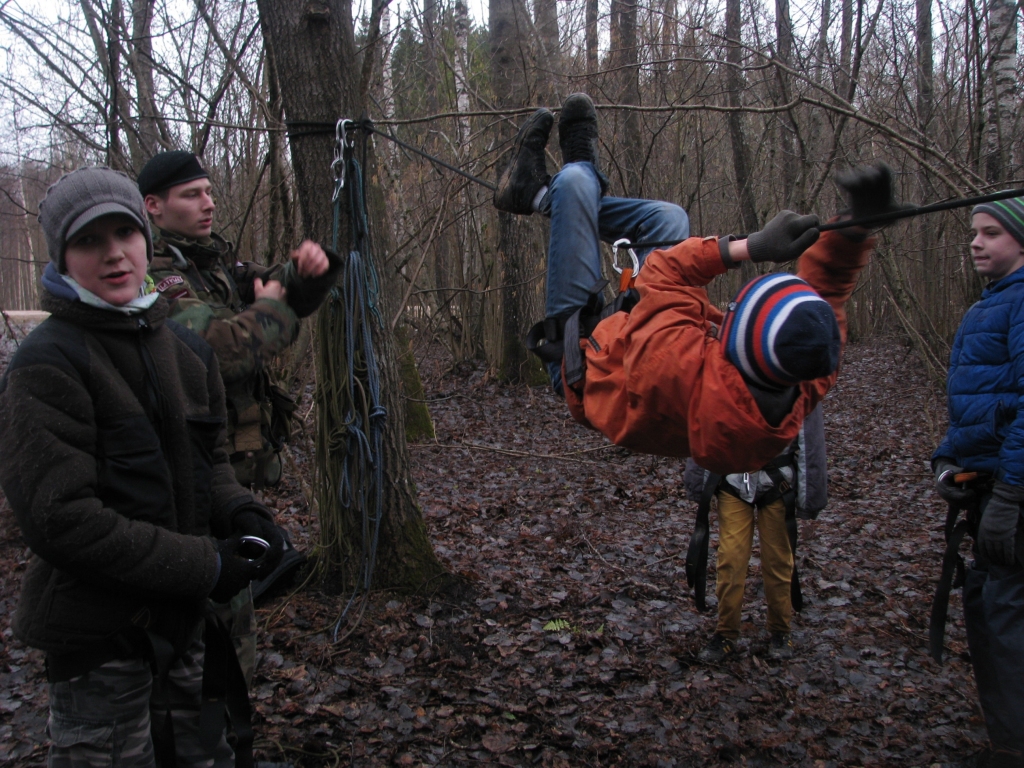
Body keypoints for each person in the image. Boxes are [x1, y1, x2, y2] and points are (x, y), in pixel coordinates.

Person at [0, 166, 284, 766]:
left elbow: (208, 462)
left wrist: (243, 511)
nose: (113, 255)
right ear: (62, 255)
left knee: (206, 754)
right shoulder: (45, 366)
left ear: (144, 239)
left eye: (124, 235)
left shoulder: (183, 349)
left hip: (185, 625)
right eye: (88, 242)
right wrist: (205, 565)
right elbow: (63, 521)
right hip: (99, 640)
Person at [494, 92, 883, 475]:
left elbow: (664, 270)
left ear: (737, 338)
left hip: (578, 356)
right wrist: (856, 229)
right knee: (670, 218)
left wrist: (752, 247)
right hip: (632, 342)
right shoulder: (800, 378)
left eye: (735, 311)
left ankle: (557, 187)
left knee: (576, 182)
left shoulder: (680, 364)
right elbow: (827, 293)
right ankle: (547, 192)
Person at [138, 150, 341, 682]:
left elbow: (265, 282)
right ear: (153, 206)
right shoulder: (153, 275)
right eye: (192, 195)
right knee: (196, 613)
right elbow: (218, 350)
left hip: (225, 473)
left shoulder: (207, 263)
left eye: (209, 191)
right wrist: (273, 308)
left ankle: (225, 720)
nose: (209, 203)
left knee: (232, 609)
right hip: (185, 471)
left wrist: (305, 274)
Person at [932, 197, 1024, 768]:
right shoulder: (985, 308)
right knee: (991, 608)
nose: (975, 242)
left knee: (1006, 613)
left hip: (1012, 493)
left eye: (991, 233)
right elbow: (971, 404)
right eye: (973, 232)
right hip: (985, 486)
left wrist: (1011, 496)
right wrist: (946, 463)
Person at [685, 405, 828, 662]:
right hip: (732, 481)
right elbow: (704, 422)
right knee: (731, 558)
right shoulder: (724, 371)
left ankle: (780, 631)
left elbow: (810, 437)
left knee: (778, 560)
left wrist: (810, 496)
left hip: (778, 484)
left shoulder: (795, 375)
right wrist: (698, 479)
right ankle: (726, 633)